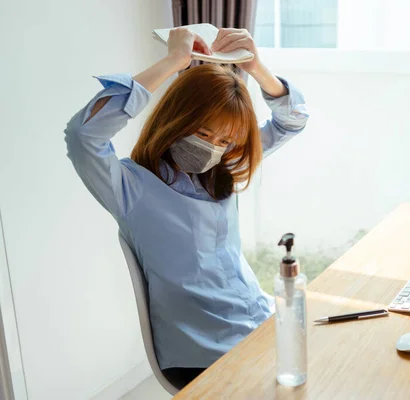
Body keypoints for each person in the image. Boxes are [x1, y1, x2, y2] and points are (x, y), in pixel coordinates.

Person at [64, 27, 309, 384]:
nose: (213, 147)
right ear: (178, 119)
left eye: (225, 140)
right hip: (201, 351)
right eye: (205, 133)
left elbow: (293, 120)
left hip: (257, 323)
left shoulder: (222, 170)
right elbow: (83, 136)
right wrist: (172, 62)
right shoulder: (131, 187)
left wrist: (256, 68)